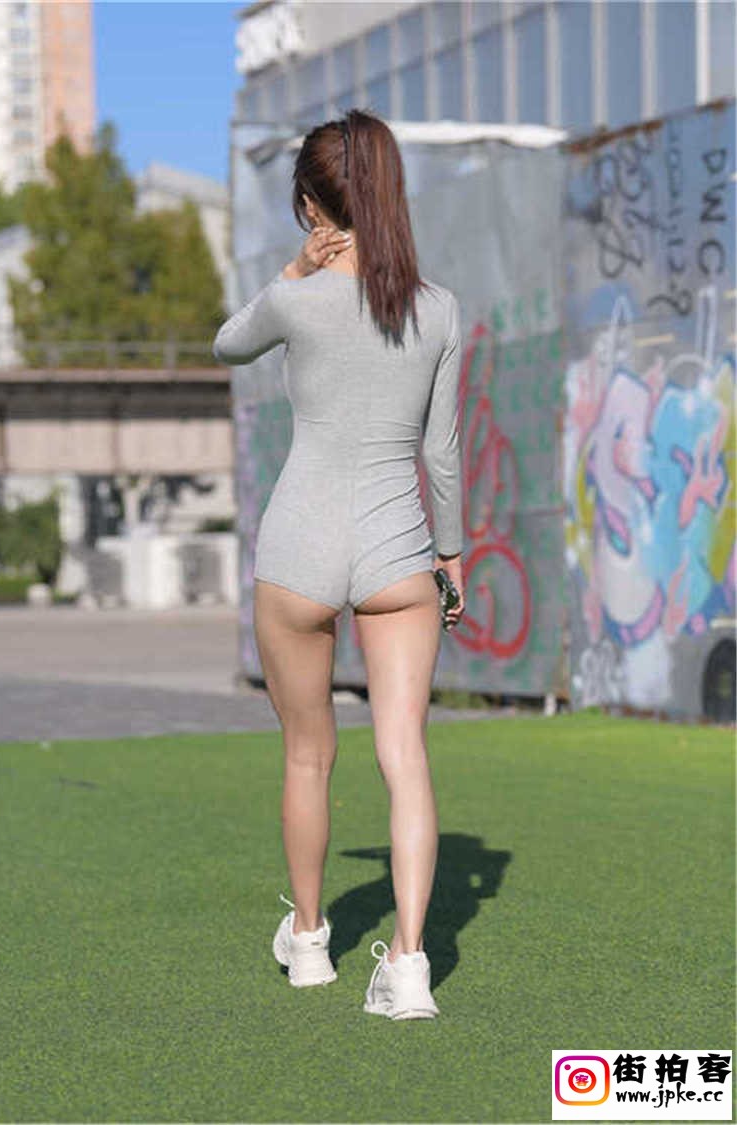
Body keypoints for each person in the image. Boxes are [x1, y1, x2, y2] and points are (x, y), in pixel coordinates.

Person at [212, 108, 465, 1020]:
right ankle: (409, 964)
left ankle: (312, 943)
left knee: (307, 754)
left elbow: (227, 342)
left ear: (314, 207)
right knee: (406, 755)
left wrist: (291, 271)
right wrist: (451, 552)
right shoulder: (439, 310)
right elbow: (441, 452)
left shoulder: (295, 300)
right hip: (400, 553)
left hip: (300, 549)